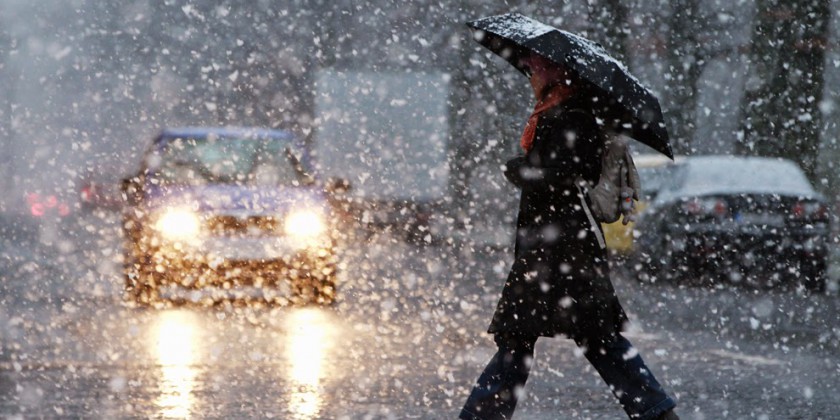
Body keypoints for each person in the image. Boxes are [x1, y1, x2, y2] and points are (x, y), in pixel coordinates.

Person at [459, 51, 679, 420]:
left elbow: (576, 174)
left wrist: (523, 171)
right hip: (549, 245)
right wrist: (529, 170)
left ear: (558, 70)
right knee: (547, 339)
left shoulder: (574, 115)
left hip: (563, 248)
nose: (531, 70)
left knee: (584, 338)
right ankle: (655, 411)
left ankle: (656, 411)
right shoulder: (553, 111)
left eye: (538, 65)